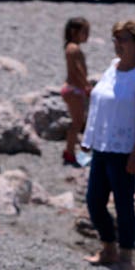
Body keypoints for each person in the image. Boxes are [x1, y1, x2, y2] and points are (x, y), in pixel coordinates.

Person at [81, 20, 135, 270]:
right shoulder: (113, 67)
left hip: (124, 149)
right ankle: (108, 248)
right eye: (116, 39)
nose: (118, 44)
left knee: (124, 204)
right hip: (102, 146)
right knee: (94, 201)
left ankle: (126, 257)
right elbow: (100, 101)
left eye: (124, 39)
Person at [59, 17, 91, 166]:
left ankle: (69, 150)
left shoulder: (71, 47)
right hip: (74, 89)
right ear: (74, 32)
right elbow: (77, 70)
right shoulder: (74, 48)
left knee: (77, 121)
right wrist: (86, 85)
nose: (87, 35)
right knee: (77, 122)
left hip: (72, 88)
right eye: (85, 32)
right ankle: (69, 152)